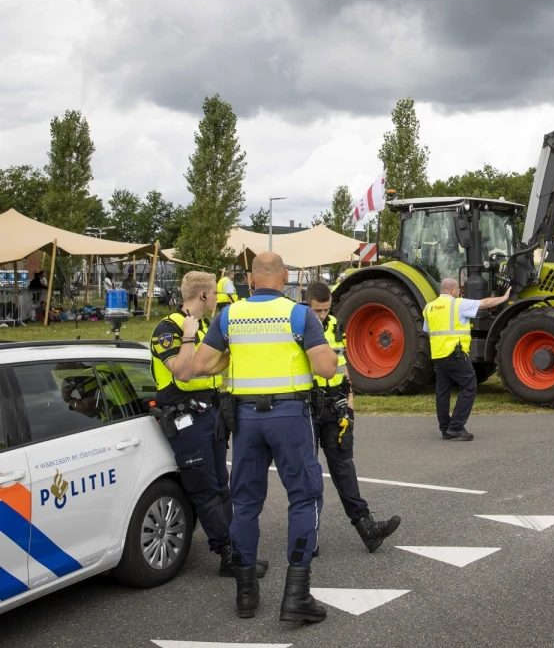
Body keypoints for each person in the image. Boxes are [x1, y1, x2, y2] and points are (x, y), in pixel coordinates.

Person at [191, 252, 337, 623]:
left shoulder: (229, 315)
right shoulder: (299, 314)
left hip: (244, 418)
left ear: (250, 280)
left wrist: (234, 356)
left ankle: (245, 595)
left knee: (245, 503)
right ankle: (296, 596)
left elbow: (200, 366)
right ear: (286, 277)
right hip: (289, 415)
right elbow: (325, 367)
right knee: (304, 498)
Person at [150, 271, 269, 579]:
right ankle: (228, 553)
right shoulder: (169, 329)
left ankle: (237, 549)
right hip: (185, 419)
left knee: (221, 486)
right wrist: (188, 335)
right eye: (215, 294)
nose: (217, 300)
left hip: (209, 414)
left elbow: (210, 367)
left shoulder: (203, 327)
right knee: (204, 489)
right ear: (203, 295)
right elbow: (185, 372)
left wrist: (230, 354)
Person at [305, 281, 401, 552]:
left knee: (344, 468)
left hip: (335, 406)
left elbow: (344, 366)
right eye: (317, 310)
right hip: (307, 407)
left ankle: (367, 528)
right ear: (306, 303)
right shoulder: (297, 324)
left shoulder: (336, 324)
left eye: (325, 310)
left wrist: (350, 405)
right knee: (308, 474)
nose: (321, 316)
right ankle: (308, 536)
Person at [422, 277, 509, 441]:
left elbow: (428, 330)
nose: (459, 292)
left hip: (438, 355)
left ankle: (445, 429)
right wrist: (504, 298)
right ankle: (456, 426)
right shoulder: (458, 304)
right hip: (455, 353)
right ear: (451, 290)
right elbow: (485, 303)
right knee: (469, 384)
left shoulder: (429, 307)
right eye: (457, 289)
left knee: (442, 392)